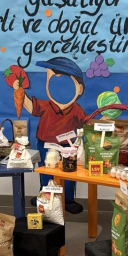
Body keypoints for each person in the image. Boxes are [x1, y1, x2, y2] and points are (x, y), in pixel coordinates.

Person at [12, 56, 86, 214]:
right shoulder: (46, 105)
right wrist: (19, 91)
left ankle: (68, 199)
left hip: (68, 146)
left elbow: (85, 124)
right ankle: (45, 196)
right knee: (46, 171)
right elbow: (30, 106)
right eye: (51, 78)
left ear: (79, 89)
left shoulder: (76, 109)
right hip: (44, 144)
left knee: (69, 172)